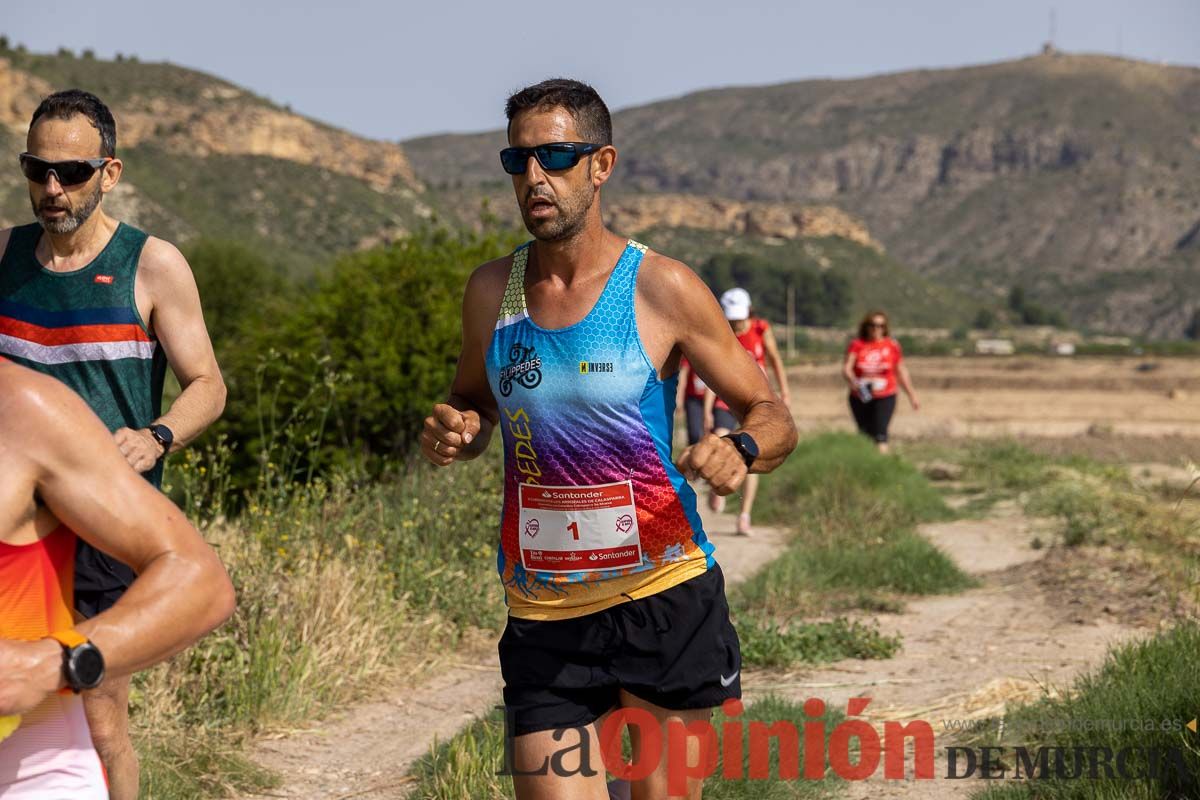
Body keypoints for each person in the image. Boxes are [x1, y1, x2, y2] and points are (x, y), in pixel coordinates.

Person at [420, 78, 797, 800]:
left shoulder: (662, 288)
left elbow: (770, 411)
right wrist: (458, 426)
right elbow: (471, 398)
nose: (535, 177)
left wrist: (739, 448)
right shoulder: (490, 290)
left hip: (663, 597)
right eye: (518, 160)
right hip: (545, 612)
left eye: (557, 156)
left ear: (602, 165)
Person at [0, 89, 226, 799]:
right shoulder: (4, 256)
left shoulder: (151, 265)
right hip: (18, 530)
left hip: (106, 521)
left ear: (111, 172)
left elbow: (208, 385)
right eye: (38, 171)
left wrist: (157, 436)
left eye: (71, 172)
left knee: (98, 716)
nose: (52, 189)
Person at [0, 357, 235, 797]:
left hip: (29, 770)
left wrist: (47, 665)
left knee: (108, 728)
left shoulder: (25, 411)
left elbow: (201, 581)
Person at [704, 288, 791, 536]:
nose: (736, 322)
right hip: (725, 399)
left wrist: (784, 392)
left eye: (739, 317)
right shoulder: (721, 334)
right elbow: (714, 372)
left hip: (756, 404)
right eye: (731, 318)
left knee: (750, 457)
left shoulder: (761, 329)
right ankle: (715, 486)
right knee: (720, 441)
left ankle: (744, 515)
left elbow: (775, 360)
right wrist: (707, 410)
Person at [842, 310, 919, 453]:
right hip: (861, 395)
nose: (876, 329)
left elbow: (901, 371)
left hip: (885, 395)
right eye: (873, 325)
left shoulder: (892, 346)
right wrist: (853, 381)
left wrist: (912, 395)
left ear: (885, 327)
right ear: (866, 326)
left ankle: (882, 469)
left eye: (880, 325)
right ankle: (866, 465)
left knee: (880, 433)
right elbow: (847, 368)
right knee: (865, 434)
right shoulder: (857, 345)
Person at [675, 356, 709, 447]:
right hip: (693, 398)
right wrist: (679, 399)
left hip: (713, 400)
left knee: (710, 432)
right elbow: (683, 374)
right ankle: (693, 454)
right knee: (694, 433)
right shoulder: (691, 350)